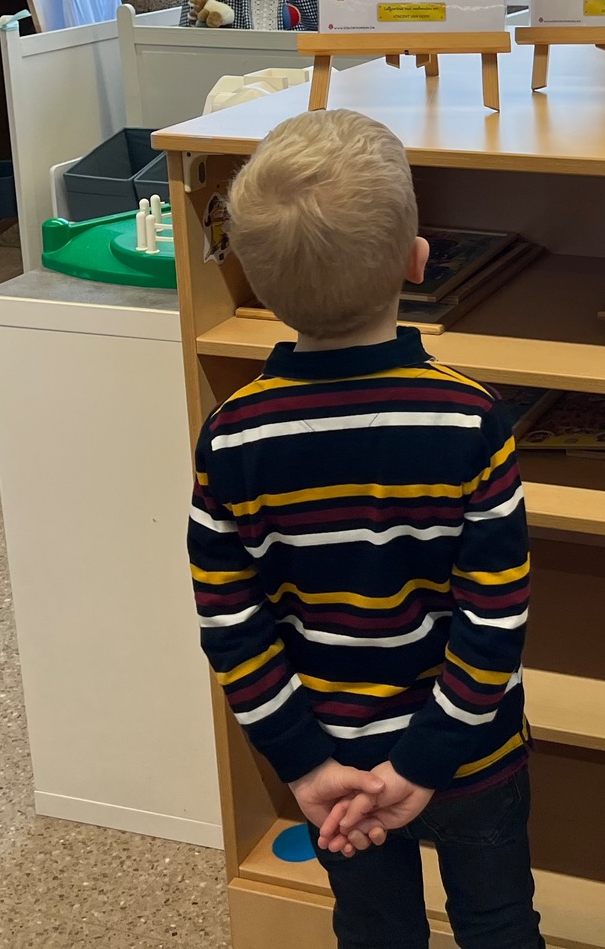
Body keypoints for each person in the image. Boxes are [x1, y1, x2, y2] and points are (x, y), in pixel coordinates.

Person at [190, 108, 540, 949]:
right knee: (499, 923)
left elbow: (230, 625)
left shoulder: (232, 437)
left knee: (375, 931)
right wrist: (425, 762)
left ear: (256, 283)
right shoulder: (471, 419)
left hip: (334, 765)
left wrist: (305, 762)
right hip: (471, 753)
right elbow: (496, 614)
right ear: (419, 261)